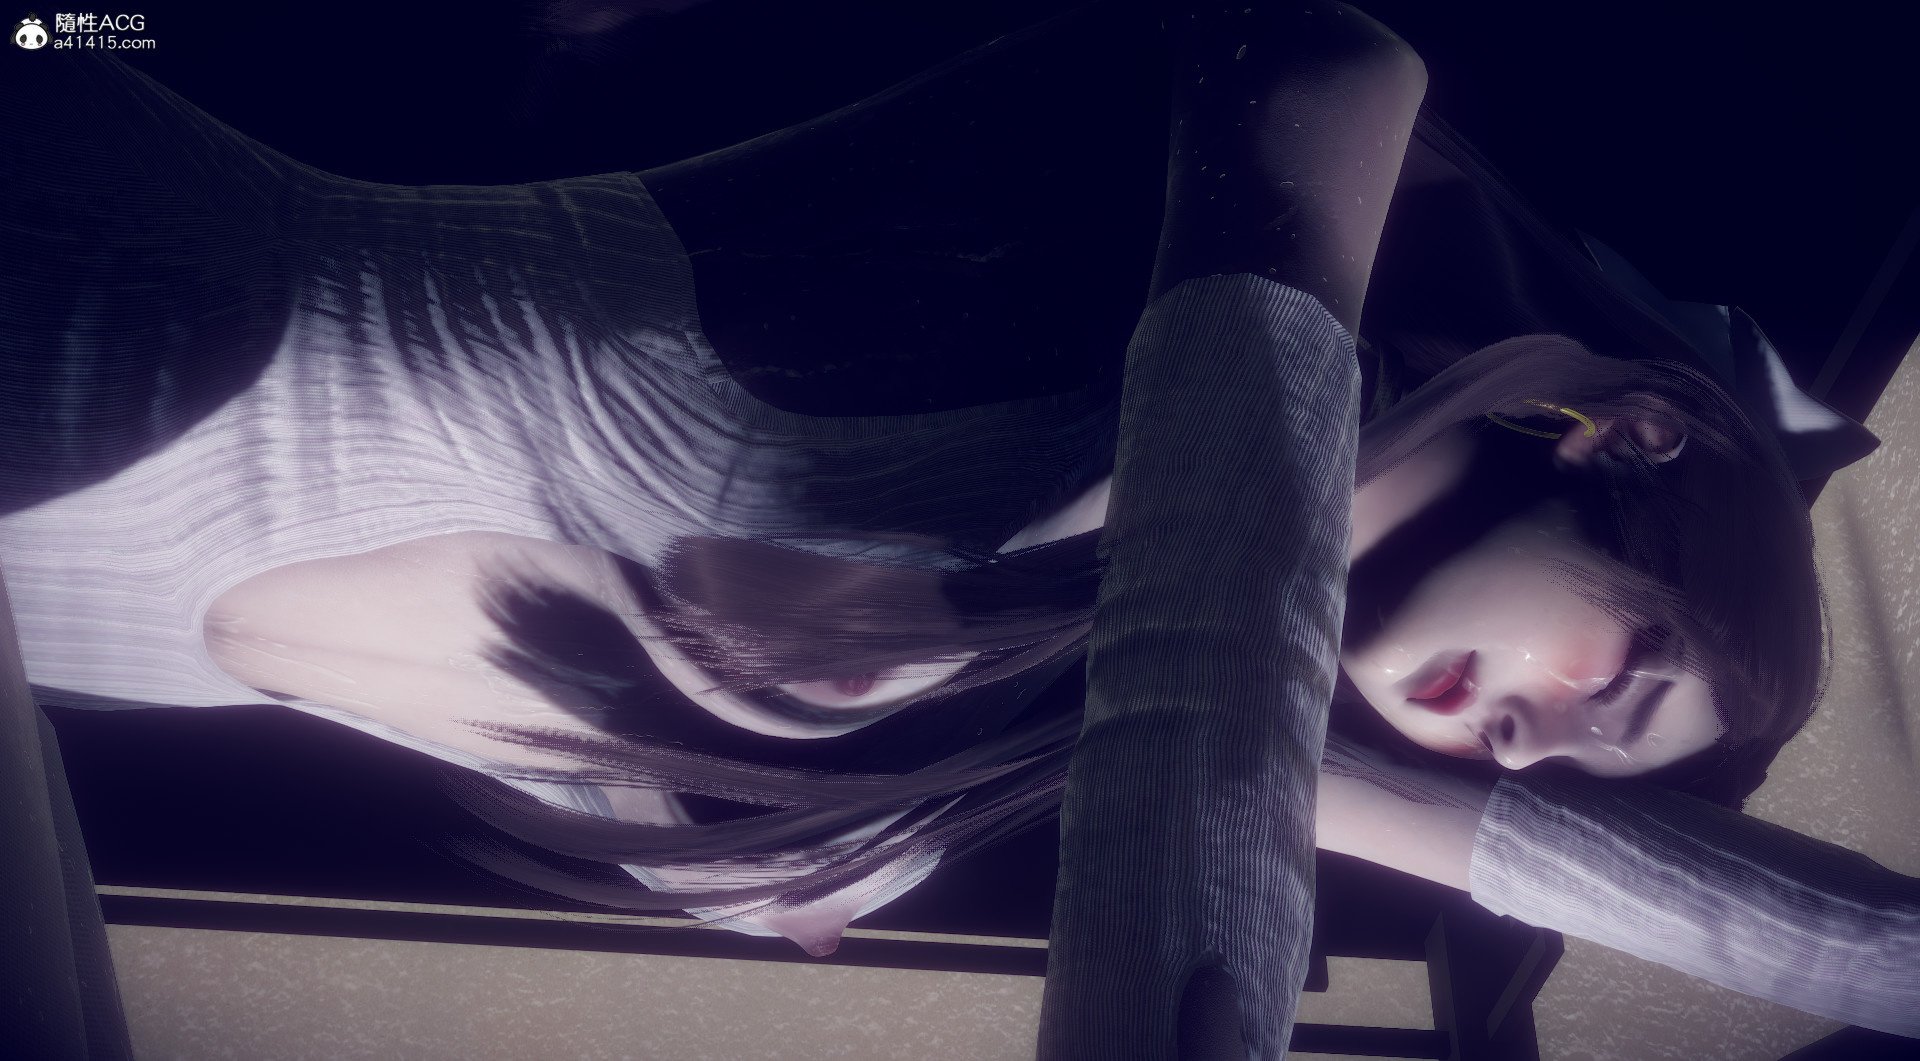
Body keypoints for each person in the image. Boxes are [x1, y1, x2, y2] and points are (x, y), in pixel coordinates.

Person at [1, 0, 1911, 1053]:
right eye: (1620, 676)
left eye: (1564, 766)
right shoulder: (1296, 182)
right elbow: (1330, 57)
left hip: (106, 622)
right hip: (125, 322)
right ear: (1631, 435)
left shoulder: (1117, 677)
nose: (1525, 741)